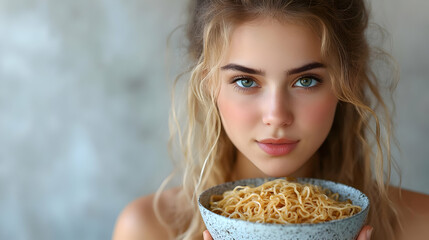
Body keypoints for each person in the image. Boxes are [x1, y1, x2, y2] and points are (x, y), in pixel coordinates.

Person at [112, 0, 429, 239]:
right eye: (246, 81)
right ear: (208, 82)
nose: (277, 116)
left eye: (306, 80)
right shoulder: (148, 228)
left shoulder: (419, 224)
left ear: (348, 79)